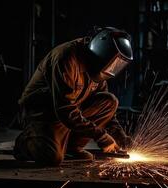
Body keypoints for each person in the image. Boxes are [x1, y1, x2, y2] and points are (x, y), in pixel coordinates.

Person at [14, 27, 134, 166]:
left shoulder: (99, 68)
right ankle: (25, 143)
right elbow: (65, 109)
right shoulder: (66, 58)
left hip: (69, 112)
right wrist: (101, 136)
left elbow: (107, 114)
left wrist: (120, 136)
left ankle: (72, 148)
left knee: (109, 102)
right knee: (52, 158)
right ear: (100, 50)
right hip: (42, 113)